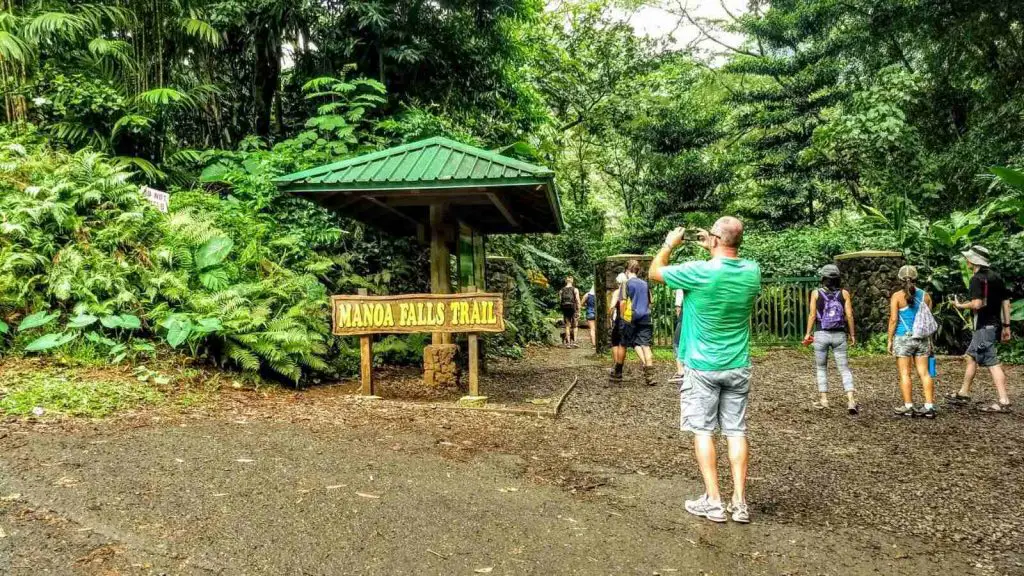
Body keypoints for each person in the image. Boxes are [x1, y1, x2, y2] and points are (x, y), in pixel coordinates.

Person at [649, 217, 761, 524]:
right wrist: (712, 244)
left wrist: (670, 244)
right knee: (736, 431)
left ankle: (713, 501)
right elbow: (724, 266)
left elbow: (654, 271)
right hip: (737, 364)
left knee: (703, 430)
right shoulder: (753, 272)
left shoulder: (699, 272)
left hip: (701, 366)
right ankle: (739, 503)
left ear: (714, 239)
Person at [949, 246, 1013, 413]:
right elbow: (1006, 303)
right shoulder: (996, 277)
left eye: (968, 258)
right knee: (970, 357)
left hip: (984, 326)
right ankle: (963, 393)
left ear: (973, 261)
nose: (966, 260)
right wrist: (1007, 326)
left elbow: (978, 304)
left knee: (992, 362)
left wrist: (960, 305)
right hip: (994, 325)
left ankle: (1004, 400)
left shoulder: (977, 279)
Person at [802, 264, 858, 415]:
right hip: (839, 335)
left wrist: (808, 334)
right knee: (844, 368)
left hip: (821, 334)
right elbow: (849, 316)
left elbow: (812, 315)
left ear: (823, 278)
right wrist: (852, 334)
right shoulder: (844, 293)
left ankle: (824, 399)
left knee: (821, 368)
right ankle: (851, 399)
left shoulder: (815, 293)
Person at [887, 265, 936, 418]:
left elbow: (894, 320)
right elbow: (927, 320)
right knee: (924, 373)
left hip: (903, 337)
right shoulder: (925, 296)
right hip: (921, 338)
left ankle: (908, 406)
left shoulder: (897, 296)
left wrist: (889, 339)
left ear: (900, 279)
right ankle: (929, 406)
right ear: (916, 279)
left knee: (904, 374)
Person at [623, 260, 656, 386]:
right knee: (645, 345)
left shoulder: (627, 284)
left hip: (633, 316)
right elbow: (651, 300)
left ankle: (645, 365)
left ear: (627, 271)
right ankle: (650, 374)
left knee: (633, 342)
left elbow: (623, 301)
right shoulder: (645, 283)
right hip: (646, 315)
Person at [608, 273, 629, 382]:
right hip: (629, 319)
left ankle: (616, 366)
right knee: (623, 343)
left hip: (619, 319)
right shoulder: (630, 292)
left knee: (615, 341)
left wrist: (610, 317)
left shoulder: (617, 292)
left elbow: (611, 307)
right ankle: (619, 365)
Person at [668, 289, 686, 384]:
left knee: (677, 343)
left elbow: (678, 307)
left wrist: (679, 319)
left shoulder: (681, 287)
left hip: (684, 319)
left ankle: (680, 371)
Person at [559, 276, 581, 349]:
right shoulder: (575, 289)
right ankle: (574, 342)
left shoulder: (561, 290)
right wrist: (579, 310)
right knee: (575, 326)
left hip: (565, 309)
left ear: (566, 281)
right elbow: (577, 300)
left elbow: (560, 301)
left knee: (567, 326)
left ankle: (568, 343)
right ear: (572, 281)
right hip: (573, 308)